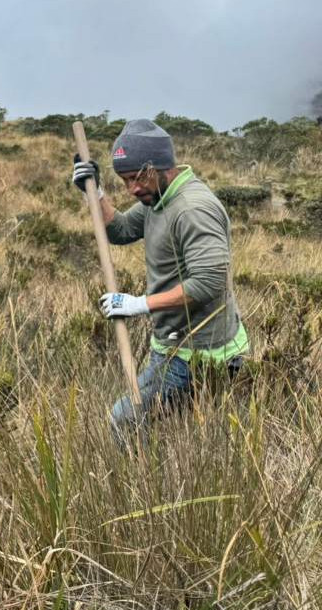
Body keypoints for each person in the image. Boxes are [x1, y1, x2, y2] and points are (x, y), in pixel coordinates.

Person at [72, 119, 249, 440]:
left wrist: (138, 304)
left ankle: (134, 487)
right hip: (180, 343)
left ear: (157, 166)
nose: (132, 189)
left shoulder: (191, 209)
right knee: (186, 432)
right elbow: (121, 230)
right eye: (124, 181)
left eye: (136, 178)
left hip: (197, 353)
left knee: (125, 420)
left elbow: (209, 282)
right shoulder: (159, 200)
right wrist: (95, 192)